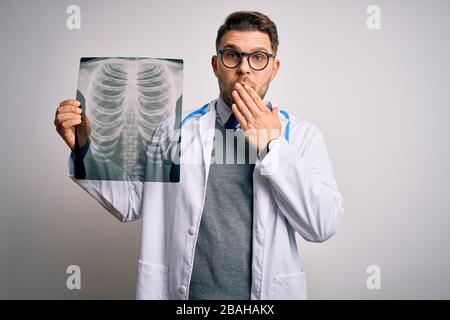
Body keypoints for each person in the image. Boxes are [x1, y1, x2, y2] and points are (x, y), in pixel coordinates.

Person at [53, 11, 345, 300]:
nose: (244, 68)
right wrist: (84, 148)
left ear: (274, 68)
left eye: (258, 57)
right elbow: (130, 201)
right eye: (232, 55)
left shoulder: (303, 136)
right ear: (216, 65)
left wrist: (273, 147)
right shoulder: (173, 132)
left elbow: (321, 224)